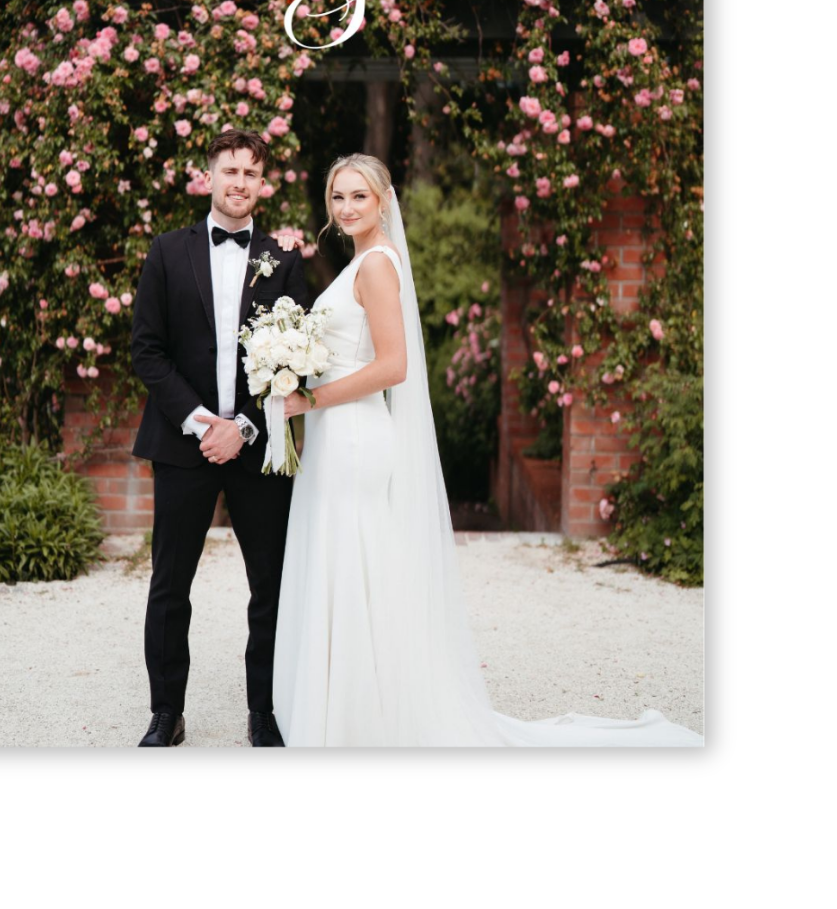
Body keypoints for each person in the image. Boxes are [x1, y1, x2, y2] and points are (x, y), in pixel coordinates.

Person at [268, 154, 702, 746]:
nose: (346, 207)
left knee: (355, 561)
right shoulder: (362, 263)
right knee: (350, 562)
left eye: (359, 197)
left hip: (353, 437)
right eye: (338, 197)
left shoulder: (375, 267)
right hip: (335, 438)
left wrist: (310, 402)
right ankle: (349, 704)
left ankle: (356, 716)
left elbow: (392, 366)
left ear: (384, 201)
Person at [129, 130, 310, 748]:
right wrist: (202, 421)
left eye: (251, 173)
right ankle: (166, 714)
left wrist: (246, 428)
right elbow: (146, 350)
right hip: (184, 445)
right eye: (229, 170)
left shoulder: (285, 260)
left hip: (259, 447)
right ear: (209, 176)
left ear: (263, 184)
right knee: (170, 585)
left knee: (271, 583)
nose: (239, 182)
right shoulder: (166, 252)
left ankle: (264, 712)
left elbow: (300, 361)